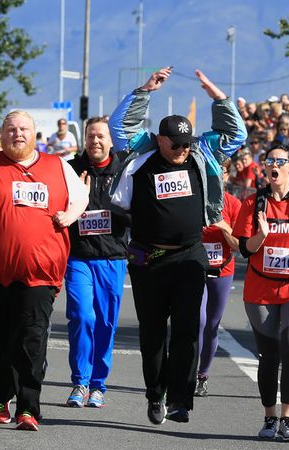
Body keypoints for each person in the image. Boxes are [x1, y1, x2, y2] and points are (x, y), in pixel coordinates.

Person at [110, 67, 247, 425]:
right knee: (153, 334)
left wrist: (219, 99)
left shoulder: (201, 153)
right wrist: (145, 91)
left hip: (189, 256)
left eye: (186, 144)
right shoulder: (141, 152)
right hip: (147, 258)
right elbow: (119, 128)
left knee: (188, 330)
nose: (182, 150)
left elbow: (236, 135)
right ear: (159, 139)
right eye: (175, 144)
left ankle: (180, 400)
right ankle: (155, 394)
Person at [0, 110, 88, 431]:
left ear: (35, 134)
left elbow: (81, 197)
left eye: (24, 129)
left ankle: (28, 407)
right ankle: (0, 396)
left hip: (40, 273)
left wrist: (69, 216)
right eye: (11, 129)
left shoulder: (57, 166)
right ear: (2, 134)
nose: (17, 134)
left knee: (32, 339)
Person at [233, 143, 289, 442]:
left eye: (280, 161)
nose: (275, 165)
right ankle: (269, 417)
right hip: (261, 288)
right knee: (269, 354)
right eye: (269, 160)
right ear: (265, 167)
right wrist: (261, 235)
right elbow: (245, 248)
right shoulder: (253, 203)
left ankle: (287, 418)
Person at [63, 117, 129, 409]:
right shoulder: (70, 170)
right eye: (91, 136)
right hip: (78, 257)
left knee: (105, 323)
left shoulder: (125, 171)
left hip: (111, 257)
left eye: (101, 136)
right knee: (81, 316)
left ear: (111, 141)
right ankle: (80, 381)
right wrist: (78, 196)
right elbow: (57, 211)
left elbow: (136, 214)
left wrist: (111, 207)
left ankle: (99, 385)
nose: (96, 141)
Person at [196, 160, 241, 397]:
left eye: (221, 170)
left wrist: (224, 227)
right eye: (211, 170)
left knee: (212, 325)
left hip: (222, 270)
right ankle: (189, 372)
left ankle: (203, 375)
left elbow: (239, 246)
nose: (216, 174)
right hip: (195, 269)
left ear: (226, 175)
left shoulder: (233, 204)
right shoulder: (195, 199)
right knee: (199, 321)